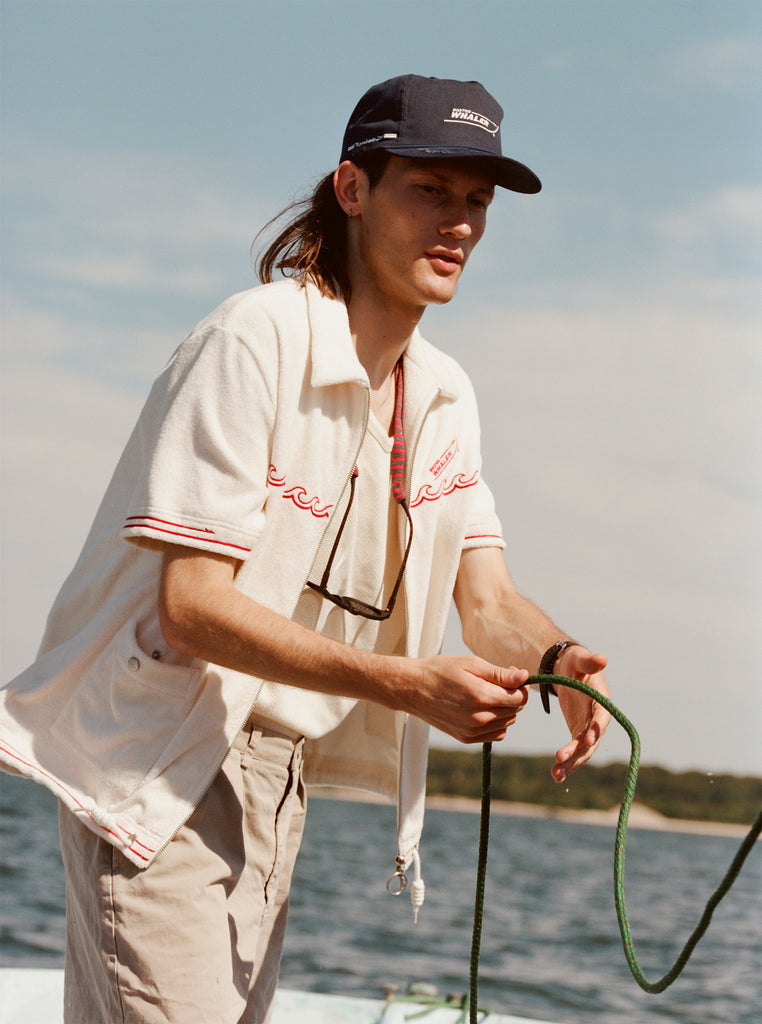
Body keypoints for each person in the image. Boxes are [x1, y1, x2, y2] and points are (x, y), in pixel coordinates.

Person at [0, 74, 611, 1024]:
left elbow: (486, 599)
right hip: (163, 755)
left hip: (278, 780)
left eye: (477, 203)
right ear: (353, 189)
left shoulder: (445, 396)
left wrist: (558, 660)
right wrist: (407, 682)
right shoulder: (254, 339)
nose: (458, 224)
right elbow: (191, 605)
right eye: (430, 190)